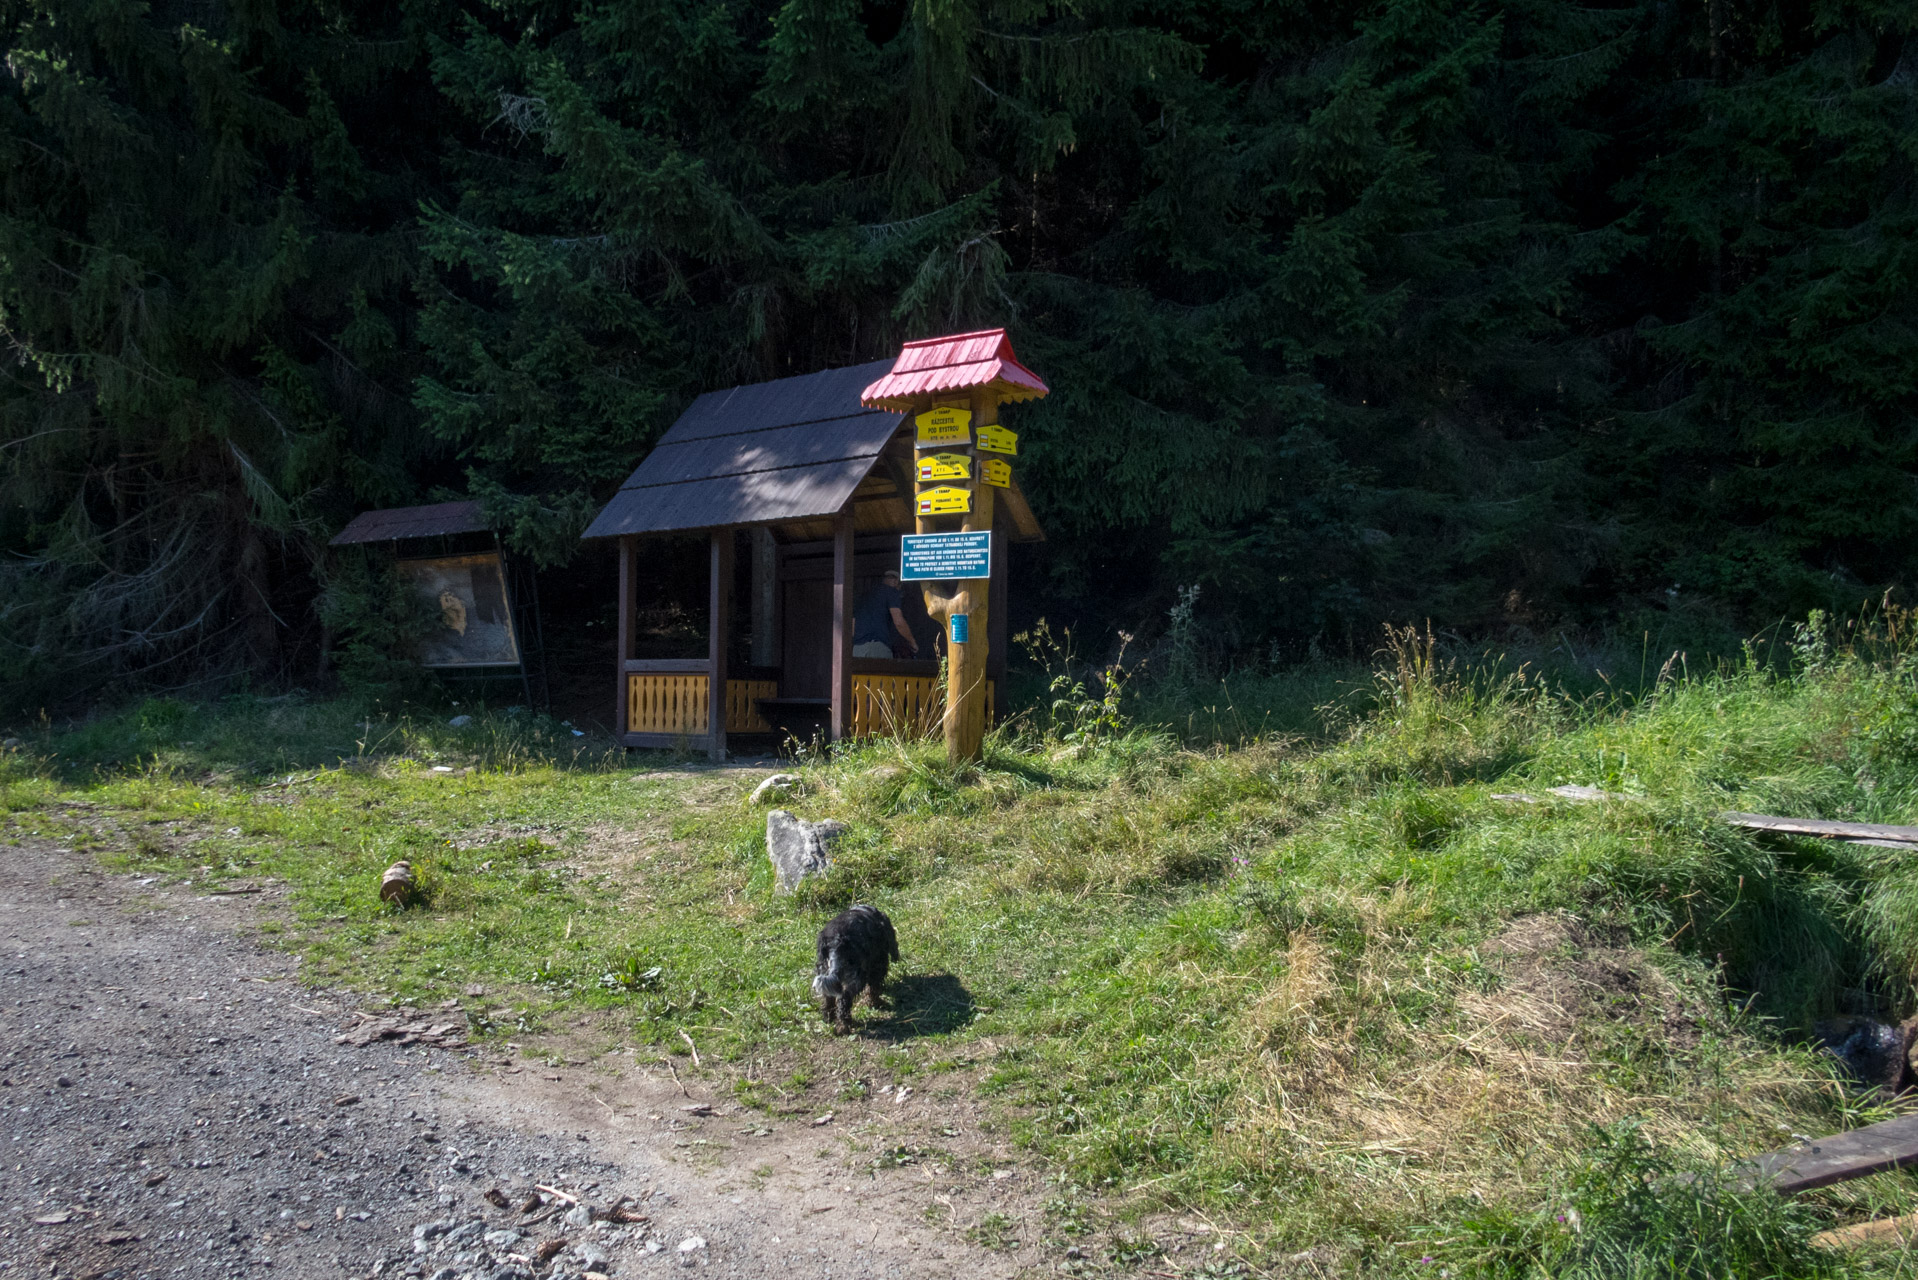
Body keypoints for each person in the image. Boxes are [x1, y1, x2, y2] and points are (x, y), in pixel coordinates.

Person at [852, 569, 918, 659]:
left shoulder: (864, 596)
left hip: (858, 649)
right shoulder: (891, 592)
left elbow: (853, 624)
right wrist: (912, 642)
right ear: (896, 582)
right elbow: (898, 622)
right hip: (877, 647)